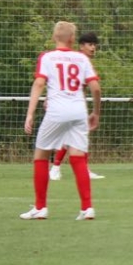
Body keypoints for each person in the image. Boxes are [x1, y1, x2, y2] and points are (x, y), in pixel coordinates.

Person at [20, 21, 101, 220]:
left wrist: (30, 113)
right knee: (78, 156)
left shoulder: (47, 57)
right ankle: (87, 208)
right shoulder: (81, 58)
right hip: (78, 111)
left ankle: (40, 207)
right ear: (73, 39)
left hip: (57, 111)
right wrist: (96, 113)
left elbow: (39, 83)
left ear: (54, 37)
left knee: (41, 155)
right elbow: (96, 88)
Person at [49, 31, 105, 181]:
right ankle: (55, 168)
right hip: (68, 105)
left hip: (74, 105)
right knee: (70, 138)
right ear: (81, 46)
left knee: (77, 137)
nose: (93, 48)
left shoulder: (80, 61)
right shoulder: (79, 61)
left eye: (95, 45)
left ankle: (70, 169)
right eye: (90, 44)